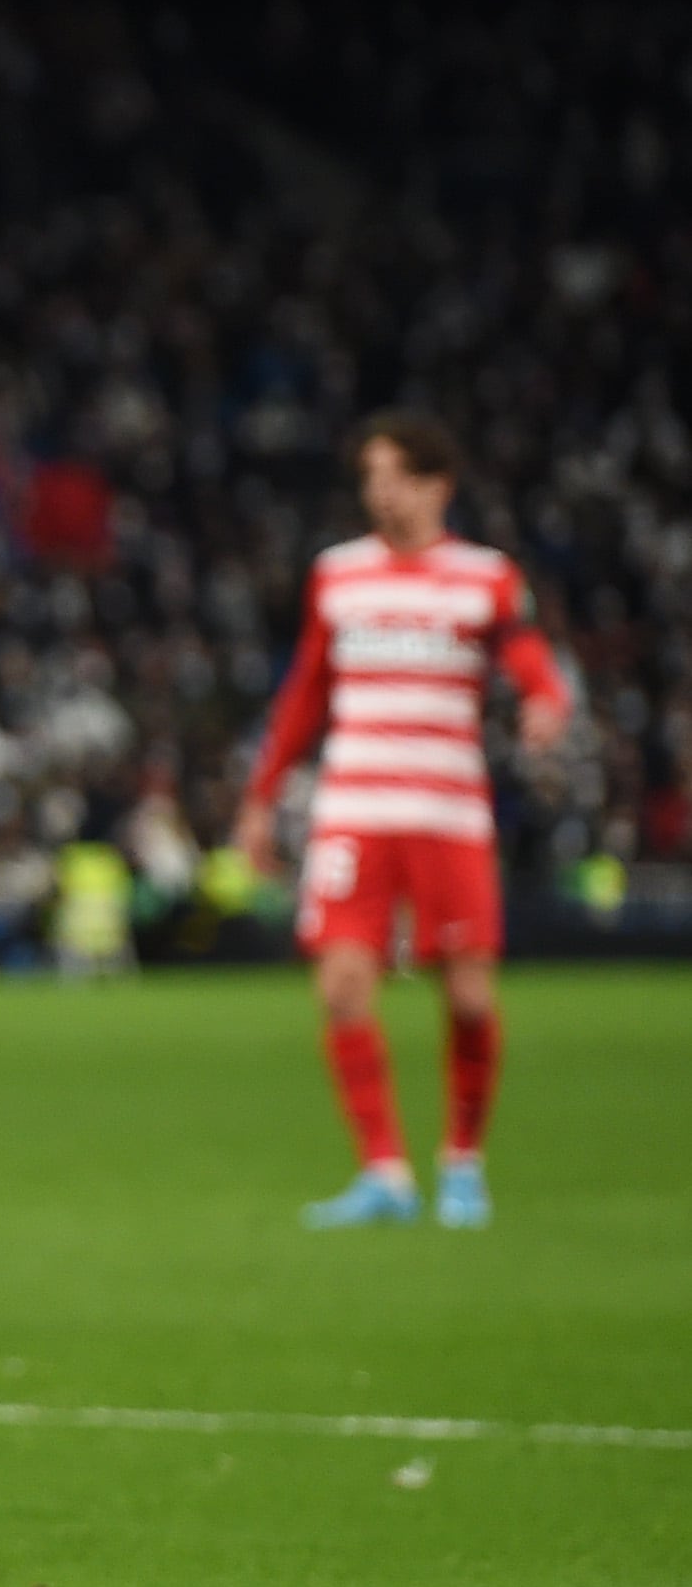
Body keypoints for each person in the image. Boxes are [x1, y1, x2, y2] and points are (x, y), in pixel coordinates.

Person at [236, 413, 572, 1231]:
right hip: (353, 808)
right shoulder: (337, 575)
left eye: (390, 474)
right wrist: (260, 795)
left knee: (465, 993)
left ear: (435, 484)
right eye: (367, 475)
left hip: (445, 811)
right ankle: (383, 1169)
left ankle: (461, 1159)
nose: (374, 490)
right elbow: (305, 691)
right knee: (342, 986)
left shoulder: (484, 576)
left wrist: (545, 701)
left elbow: (528, 657)